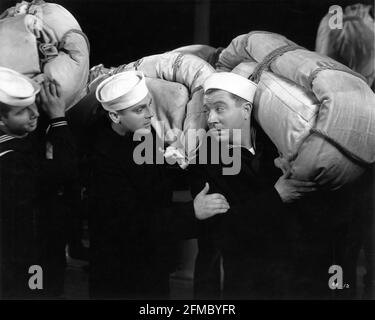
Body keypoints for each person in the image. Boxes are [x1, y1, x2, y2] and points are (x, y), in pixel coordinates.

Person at [89, 70, 230, 299]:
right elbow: (132, 223)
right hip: (122, 271)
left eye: (149, 104)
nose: (150, 114)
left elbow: (155, 181)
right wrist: (192, 211)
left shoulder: (143, 131)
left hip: (152, 258)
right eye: (139, 109)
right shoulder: (102, 160)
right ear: (115, 116)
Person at [188, 72, 317, 299]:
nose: (210, 119)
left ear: (246, 110)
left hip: (285, 278)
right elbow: (221, 231)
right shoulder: (204, 159)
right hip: (233, 284)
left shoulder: (278, 147)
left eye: (220, 109)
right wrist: (277, 196)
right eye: (207, 110)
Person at [0, 67, 78, 299]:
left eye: (34, 104)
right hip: (29, 260)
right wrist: (58, 118)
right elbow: (67, 172)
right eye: (22, 112)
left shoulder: (16, 141)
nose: (34, 113)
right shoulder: (10, 160)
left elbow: (29, 136)